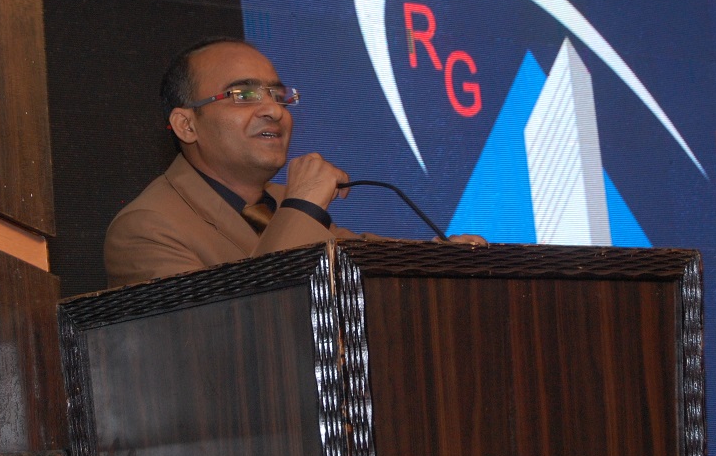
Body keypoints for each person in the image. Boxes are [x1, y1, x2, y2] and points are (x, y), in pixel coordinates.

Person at [104, 37, 483, 287]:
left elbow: (371, 266)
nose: (274, 110)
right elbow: (236, 337)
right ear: (187, 125)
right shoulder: (146, 229)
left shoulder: (282, 202)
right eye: (243, 95)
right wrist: (302, 207)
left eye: (278, 94)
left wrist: (440, 260)